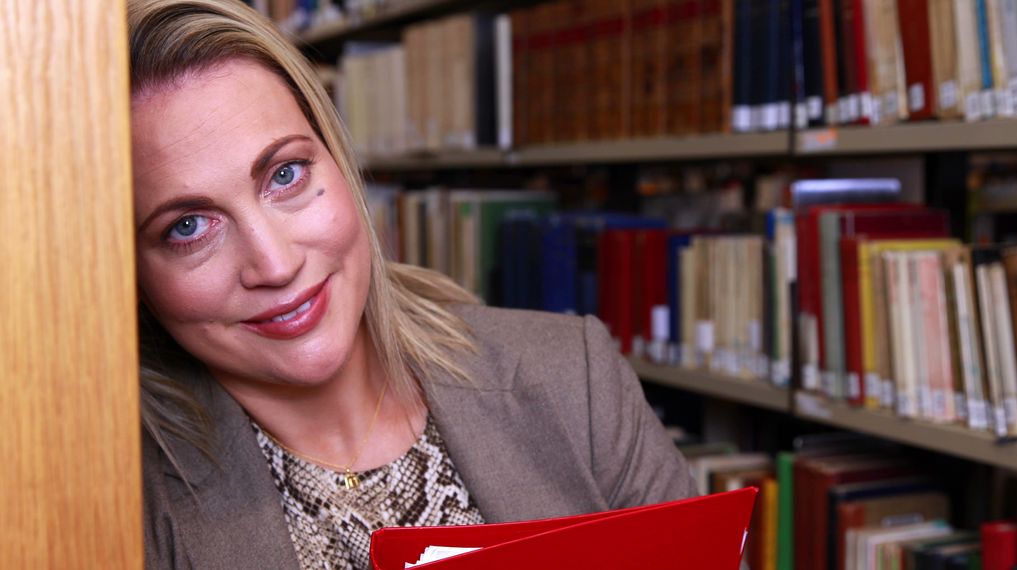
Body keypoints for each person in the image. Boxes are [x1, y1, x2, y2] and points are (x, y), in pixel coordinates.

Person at [130, 0, 695, 567]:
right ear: (131, 270)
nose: (274, 265)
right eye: (187, 227)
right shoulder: (121, 502)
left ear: (339, 160)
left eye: (286, 174)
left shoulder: (576, 379)